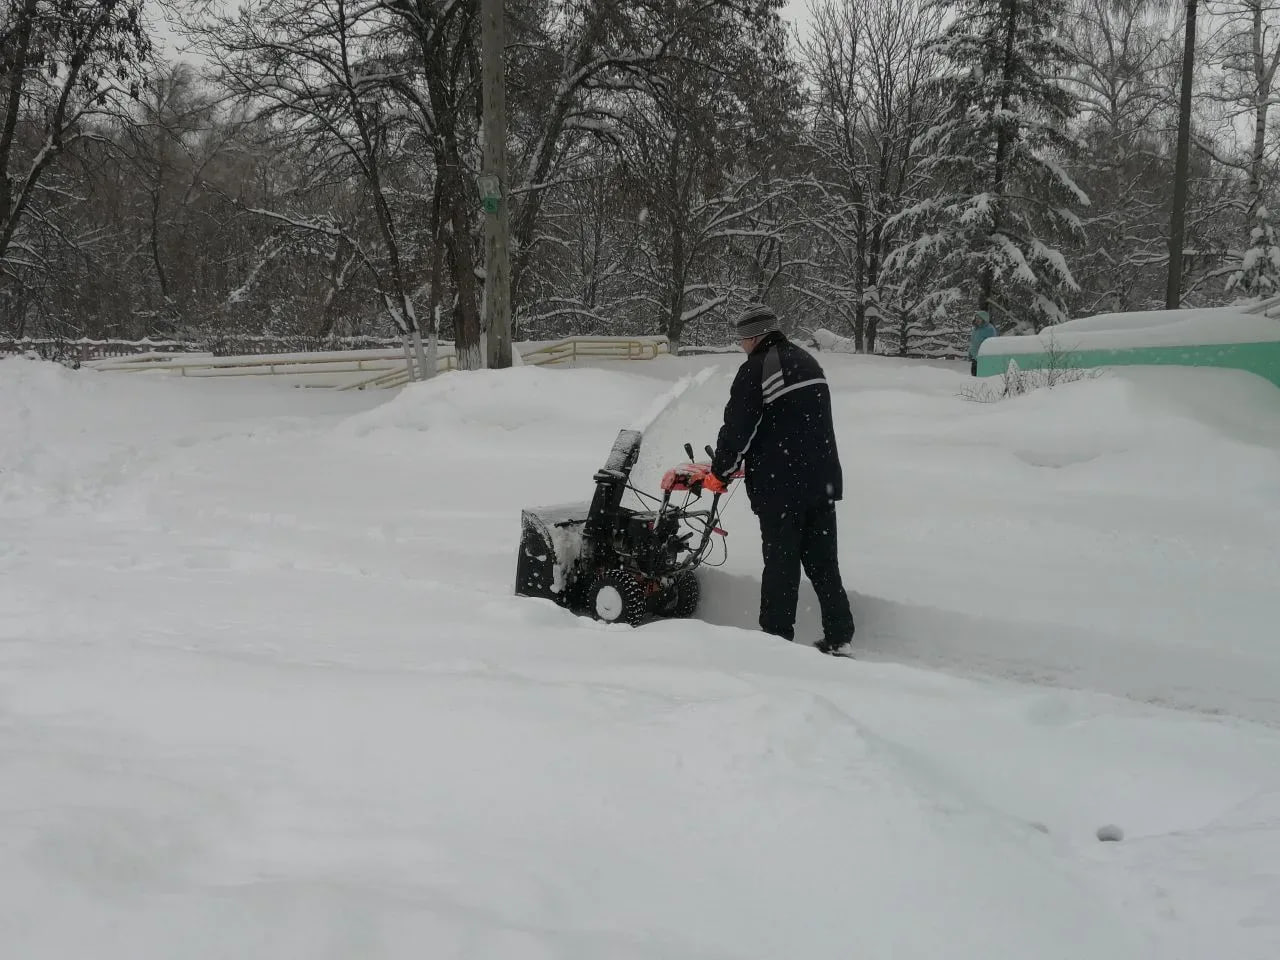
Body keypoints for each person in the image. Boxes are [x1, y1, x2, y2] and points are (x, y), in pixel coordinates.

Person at [704, 303, 855, 655]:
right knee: (823, 563)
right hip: (821, 481)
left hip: (783, 487)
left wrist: (720, 472)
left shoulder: (758, 368)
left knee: (781, 565)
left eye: (742, 339)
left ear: (754, 336)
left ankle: (775, 642)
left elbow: (739, 428)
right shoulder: (807, 361)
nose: (741, 345)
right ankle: (839, 636)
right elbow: (797, 423)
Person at [969, 309, 998, 376]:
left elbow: (992, 344)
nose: (977, 320)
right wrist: (970, 352)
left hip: (983, 358)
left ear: (984, 319)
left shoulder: (990, 329)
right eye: (976, 318)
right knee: (974, 376)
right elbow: (973, 342)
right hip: (975, 357)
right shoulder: (976, 329)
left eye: (979, 318)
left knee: (981, 377)